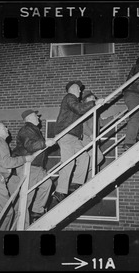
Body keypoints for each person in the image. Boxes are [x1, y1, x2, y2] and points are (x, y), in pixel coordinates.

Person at [49, 81, 104, 209]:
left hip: (74, 137)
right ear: (73, 88)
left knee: (85, 157)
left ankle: (75, 184)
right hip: (66, 134)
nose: (80, 92)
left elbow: (80, 112)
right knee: (69, 162)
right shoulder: (69, 98)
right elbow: (79, 109)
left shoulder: (73, 101)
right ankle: (59, 192)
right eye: (79, 89)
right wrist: (94, 103)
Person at [8, 109, 56, 228]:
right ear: (29, 118)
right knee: (26, 199)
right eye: (36, 116)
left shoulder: (34, 130)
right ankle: (20, 227)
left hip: (37, 167)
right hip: (29, 167)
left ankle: (37, 210)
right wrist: (45, 143)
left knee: (47, 184)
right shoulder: (26, 129)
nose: (38, 118)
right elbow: (30, 146)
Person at [81, 91, 114, 184]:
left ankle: (85, 184)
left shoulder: (95, 111)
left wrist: (113, 117)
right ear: (86, 100)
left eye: (94, 98)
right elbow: (82, 124)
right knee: (98, 157)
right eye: (92, 98)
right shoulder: (84, 109)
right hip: (86, 137)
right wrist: (91, 134)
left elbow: (101, 123)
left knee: (92, 162)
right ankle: (78, 174)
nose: (94, 100)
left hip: (92, 138)